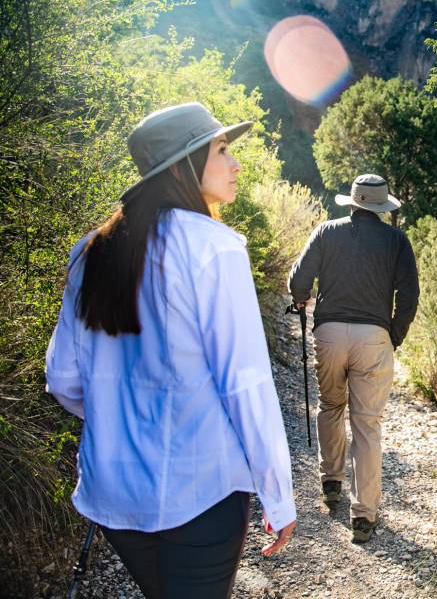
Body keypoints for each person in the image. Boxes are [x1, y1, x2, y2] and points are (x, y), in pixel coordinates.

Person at [45, 102, 297, 598]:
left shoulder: (90, 251)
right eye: (221, 150)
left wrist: (120, 420)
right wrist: (278, 496)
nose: (235, 163)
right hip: (201, 492)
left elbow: (63, 379)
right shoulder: (214, 247)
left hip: (114, 492)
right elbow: (244, 383)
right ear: (182, 166)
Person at [288, 173, 419, 543]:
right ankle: (363, 516)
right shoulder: (396, 240)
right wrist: (393, 335)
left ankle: (331, 482)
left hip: (329, 333)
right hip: (373, 338)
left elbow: (299, 282)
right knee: (366, 425)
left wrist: (301, 299)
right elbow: (409, 296)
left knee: (330, 405)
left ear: (353, 202)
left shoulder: (327, 231)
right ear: (381, 206)